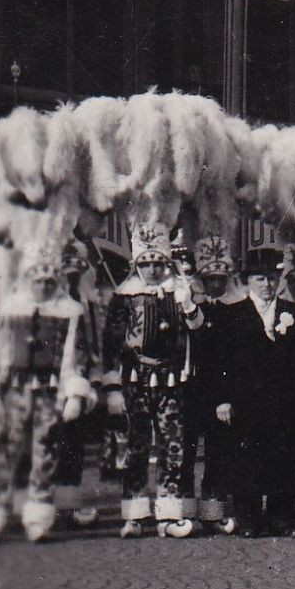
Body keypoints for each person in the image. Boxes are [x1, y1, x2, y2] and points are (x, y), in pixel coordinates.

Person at [106, 221, 205, 538]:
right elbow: (112, 340)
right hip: (136, 378)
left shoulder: (179, 292)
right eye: (145, 263)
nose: (151, 269)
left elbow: (198, 327)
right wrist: (114, 385)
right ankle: (134, 512)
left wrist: (189, 303)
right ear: (137, 265)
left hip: (171, 379)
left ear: (166, 262)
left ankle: (168, 511)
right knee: (137, 444)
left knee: (172, 443)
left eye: (157, 263)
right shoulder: (125, 295)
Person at [0, 247, 95, 541]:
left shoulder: (70, 312)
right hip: (15, 388)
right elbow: (1, 351)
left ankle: (38, 511)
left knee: (45, 450)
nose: (43, 287)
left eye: (49, 283)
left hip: (50, 390)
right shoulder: (12, 310)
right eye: (38, 282)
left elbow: (78, 355)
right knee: (5, 448)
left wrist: (74, 392)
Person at [214, 247, 295, 538]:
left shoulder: (293, 312)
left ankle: (282, 516)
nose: (266, 284)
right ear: (246, 282)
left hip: (284, 399)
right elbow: (220, 362)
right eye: (259, 279)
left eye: (271, 278)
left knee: (284, 457)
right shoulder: (231, 315)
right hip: (247, 401)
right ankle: (249, 518)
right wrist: (223, 399)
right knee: (248, 458)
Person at [51, 240, 108, 529]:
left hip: (85, 379)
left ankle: (72, 505)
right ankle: (52, 505)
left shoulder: (89, 302)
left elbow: (96, 343)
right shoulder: (54, 302)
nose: (73, 276)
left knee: (80, 446)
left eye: (78, 271)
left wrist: (97, 379)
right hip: (55, 380)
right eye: (68, 272)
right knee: (54, 443)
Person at [192, 235, 245, 533]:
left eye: (220, 279)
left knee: (221, 449)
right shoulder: (194, 308)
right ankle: (190, 507)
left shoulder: (235, 310)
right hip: (193, 388)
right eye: (210, 279)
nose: (215, 284)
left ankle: (218, 507)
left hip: (221, 391)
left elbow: (231, 360)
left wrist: (224, 396)